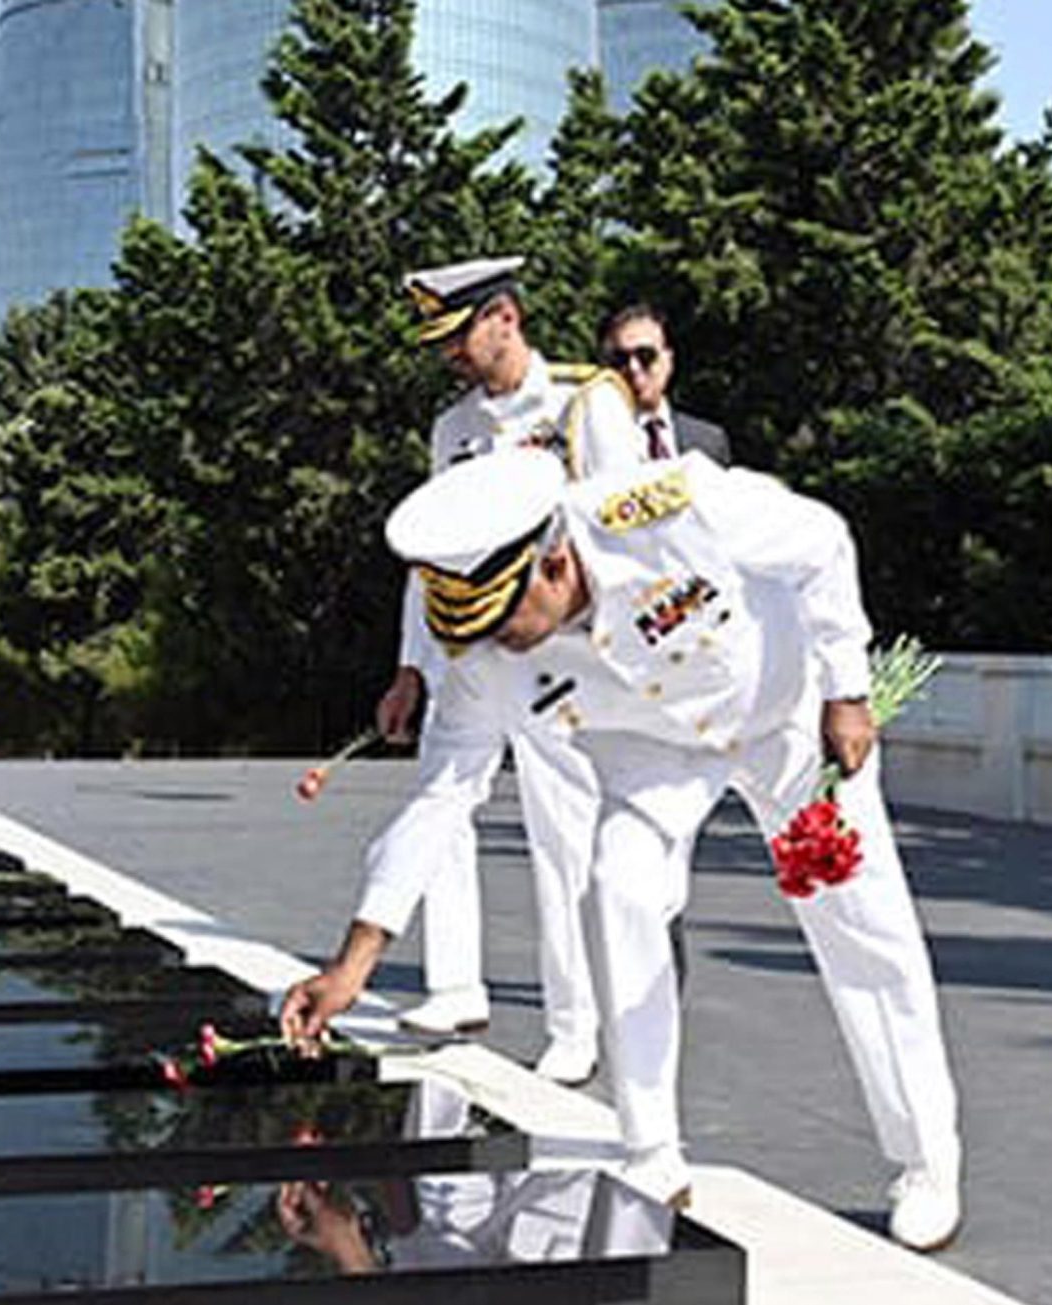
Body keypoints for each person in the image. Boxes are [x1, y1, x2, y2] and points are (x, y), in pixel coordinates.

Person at [286, 447, 963, 1252]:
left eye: (505, 619)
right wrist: (353, 965)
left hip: (783, 714)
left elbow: (820, 541)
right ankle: (650, 1149)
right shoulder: (484, 649)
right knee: (618, 885)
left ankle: (926, 1159)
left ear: (556, 562)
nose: (499, 643)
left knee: (862, 924)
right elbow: (440, 796)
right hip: (655, 757)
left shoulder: (666, 509)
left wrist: (847, 691)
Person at [374, 256, 644, 1086]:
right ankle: (454, 987)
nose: (451, 353)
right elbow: (429, 559)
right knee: (440, 804)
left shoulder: (584, 403)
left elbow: (629, 535)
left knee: (562, 835)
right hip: (469, 655)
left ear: (505, 316)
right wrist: (409, 669)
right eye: (442, 341)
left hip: (557, 653)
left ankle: (574, 1024)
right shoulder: (452, 429)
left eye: (460, 335)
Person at [598, 303, 732, 465]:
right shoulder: (596, 442)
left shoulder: (709, 441)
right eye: (621, 359)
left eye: (645, 355)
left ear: (668, 359)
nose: (633, 368)